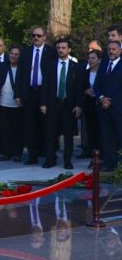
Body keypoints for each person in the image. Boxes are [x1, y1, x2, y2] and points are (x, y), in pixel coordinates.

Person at [16, 26, 57, 165]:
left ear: (44, 37)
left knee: (46, 126)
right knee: (29, 126)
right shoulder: (26, 52)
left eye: (39, 35)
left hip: (44, 92)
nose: (36, 38)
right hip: (29, 92)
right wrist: (18, 93)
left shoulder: (51, 52)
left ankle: (48, 156)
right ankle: (32, 156)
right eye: (33, 35)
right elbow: (20, 74)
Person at [39, 39, 82, 169]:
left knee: (68, 135)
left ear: (69, 50)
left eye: (64, 48)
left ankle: (67, 161)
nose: (61, 50)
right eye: (59, 48)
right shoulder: (51, 65)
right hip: (53, 103)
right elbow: (45, 86)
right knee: (50, 133)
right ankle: (50, 159)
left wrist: (79, 105)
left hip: (68, 105)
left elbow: (79, 88)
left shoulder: (76, 67)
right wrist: (43, 103)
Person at [0, 45, 23, 162]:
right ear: (8, 54)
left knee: (18, 130)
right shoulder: (1, 66)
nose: (13, 56)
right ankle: (6, 152)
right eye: (12, 53)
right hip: (3, 103)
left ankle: (17, 153)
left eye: (16, 54)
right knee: (4, 130)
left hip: (18, 104)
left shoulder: (22, 68)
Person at [95, 40, 121, 171]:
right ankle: (108, 164)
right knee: (106, 137)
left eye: (114, 49)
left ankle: (119, 165)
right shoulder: (104, 65)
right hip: (104, 108)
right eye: (109, 49)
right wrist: (102, 98)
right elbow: (96, 86)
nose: (111, 51)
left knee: (119, 137)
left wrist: (111, 101)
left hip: (118, 109)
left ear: (120, 50)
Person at [79, 49, 102, 159]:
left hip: (100, 104)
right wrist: (85, 91)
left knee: (99, 129)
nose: (90, 60)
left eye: (93, 58)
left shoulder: (103, 73)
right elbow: (80, 87)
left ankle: (99, 152)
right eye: (89, 58)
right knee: (89, 129)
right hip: (88, 104)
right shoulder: (85, 73)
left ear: (99, 60)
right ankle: (89, 151)